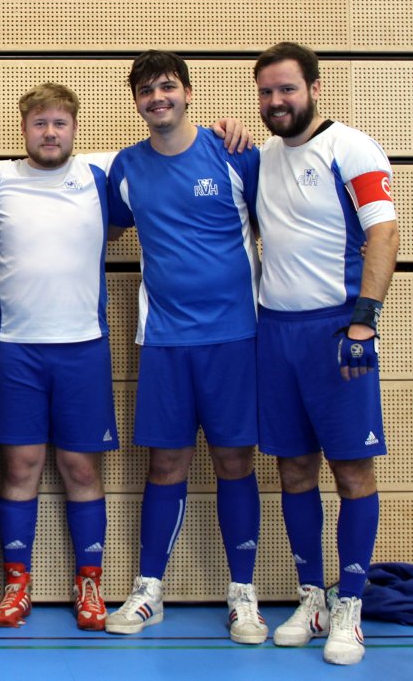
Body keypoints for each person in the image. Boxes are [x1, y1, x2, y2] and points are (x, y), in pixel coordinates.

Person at [104, 50, 268, 645]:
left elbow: (280, 221)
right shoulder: (125, 166)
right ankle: (149, 590)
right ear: (137, 101)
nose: (157, 97)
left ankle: (242, 595)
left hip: (233, 338)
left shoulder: (233, 153)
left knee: (234, 463)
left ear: (189, 93)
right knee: (165, 465)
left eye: (167, 86)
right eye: (145, 90)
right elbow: (93, 215)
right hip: (165, 342)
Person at [252, 42, 399, 666]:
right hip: (275, 332)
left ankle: (351, 606)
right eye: (266, 92)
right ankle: (311, 596)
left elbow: (385, 231)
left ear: (315, 87)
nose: (277, 101)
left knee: (351, 472)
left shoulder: (352, 147)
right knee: (292, 471)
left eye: (287, 89)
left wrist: (364, 323)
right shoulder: (260, 156)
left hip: (338, 331)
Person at [0, 83, 120, 630]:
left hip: (83, 346)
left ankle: (89, 583)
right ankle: (18, 584)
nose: (50, 133)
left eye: (60, 123)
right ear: (24, 129)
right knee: (21, 467)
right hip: (17, 348)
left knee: (81, 467)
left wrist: (225, 133)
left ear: (75, 128)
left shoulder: (100, 174)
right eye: (40, 123)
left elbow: (169, 148)